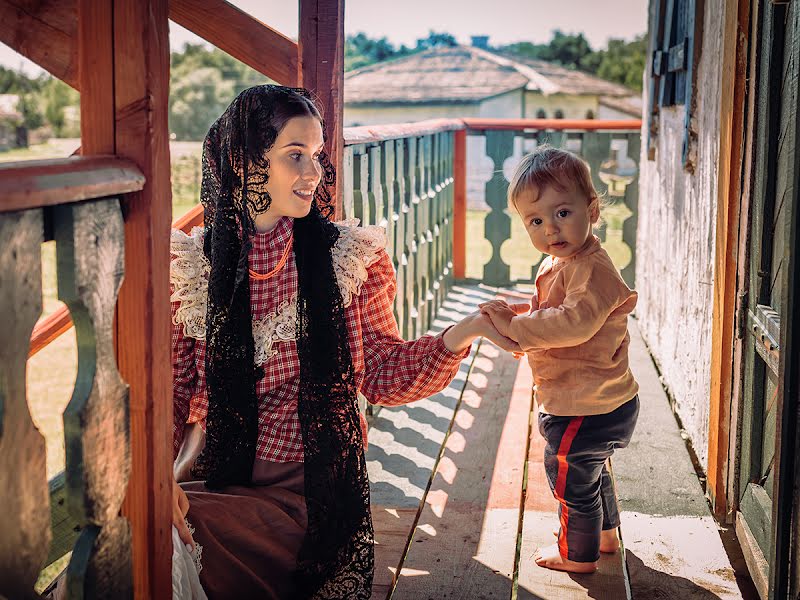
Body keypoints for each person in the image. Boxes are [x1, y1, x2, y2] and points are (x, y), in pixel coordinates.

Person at [168, 85, 520, 599]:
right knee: (140, 532)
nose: (313, 172)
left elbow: (381, 374)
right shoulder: (195, 268)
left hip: (309, 492)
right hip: (211, 475)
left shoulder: (347, 261)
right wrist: (159, 478)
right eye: (295, 156)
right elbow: (175, 397)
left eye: (316, 156)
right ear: (243, 162)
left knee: (163, 546)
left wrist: (465, 331)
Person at [479, 146, 639, 574]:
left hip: (584, 407)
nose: (550, 227)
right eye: (535, 220)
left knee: (570, 478)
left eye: (563, 212)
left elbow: (572, 324)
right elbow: (549, 313)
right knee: (592, 470)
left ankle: (577, 554)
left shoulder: (592, 270)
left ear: (592, 209)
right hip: (599, 400)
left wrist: (515, 327)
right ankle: (605, 537)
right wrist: (517, 317)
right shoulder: (566, 261)